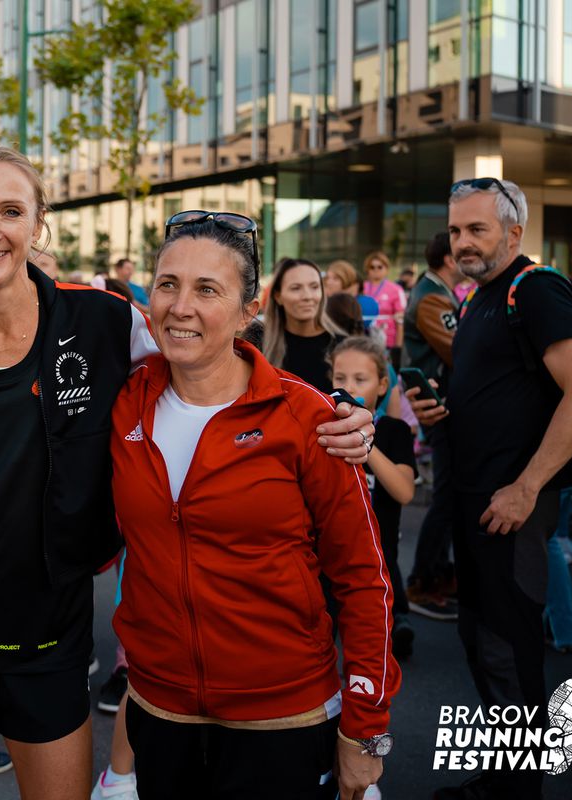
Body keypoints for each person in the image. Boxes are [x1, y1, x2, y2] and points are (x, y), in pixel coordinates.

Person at [0, 147, 375, 800]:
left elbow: (209, 355)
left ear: (39, 222)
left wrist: (335, 412)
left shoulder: (104, 320)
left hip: (55, 638)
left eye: (10, 210)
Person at [109, 217, 399, 799]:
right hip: (161, 707)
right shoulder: (124, 400)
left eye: (207, 290)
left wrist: (365, 729)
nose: (180, 306)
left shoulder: (309, 419)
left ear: (249, 309)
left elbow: (364, 579)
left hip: (283, 716)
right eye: (167, 285)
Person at [411, 178, 572, 800]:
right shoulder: (479, 299)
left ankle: (516, 793)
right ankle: (494, 781)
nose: (462, 243)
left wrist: (525, 488)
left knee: (508, 650)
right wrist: (445, 411)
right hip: (476, 501)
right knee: (479, 640)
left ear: (513, 234)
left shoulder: (535, 288)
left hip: (512, 508)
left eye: (478, 230)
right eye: (457, 231)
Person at [331, 337, 417, 660]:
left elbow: (405, 492)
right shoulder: (324, 426)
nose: (349, 386)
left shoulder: (394, 431)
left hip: (379, 554)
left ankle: (399, 621)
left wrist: (365, 442)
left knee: (371, 649)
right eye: (340, 378)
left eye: (360, 379)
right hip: (331, 553)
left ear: (382, 385)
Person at [402, 231, 462, 621]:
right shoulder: (432, 296)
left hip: (443, 403)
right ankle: (424, 580)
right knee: (448, 497)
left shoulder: (437, 292)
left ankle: (436, 575)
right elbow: (461, 351)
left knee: (451, 497)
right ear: (449, 258)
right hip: (440, 405)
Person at [262, 257, 346, 392]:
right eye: (296, 288)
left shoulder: (343, 346)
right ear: (278, 296)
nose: (307, 296)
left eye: (314, 287)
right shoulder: (261, 346)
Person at [361, 251, 407, 363]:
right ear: (367, 269)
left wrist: (398, 347)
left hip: (388, 341)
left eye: (379, 267)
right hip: (364, 340)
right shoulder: (361, 288)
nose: (376, 270)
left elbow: (401, 319)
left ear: (386, 269)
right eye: (372, 267)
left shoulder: (396, 289)